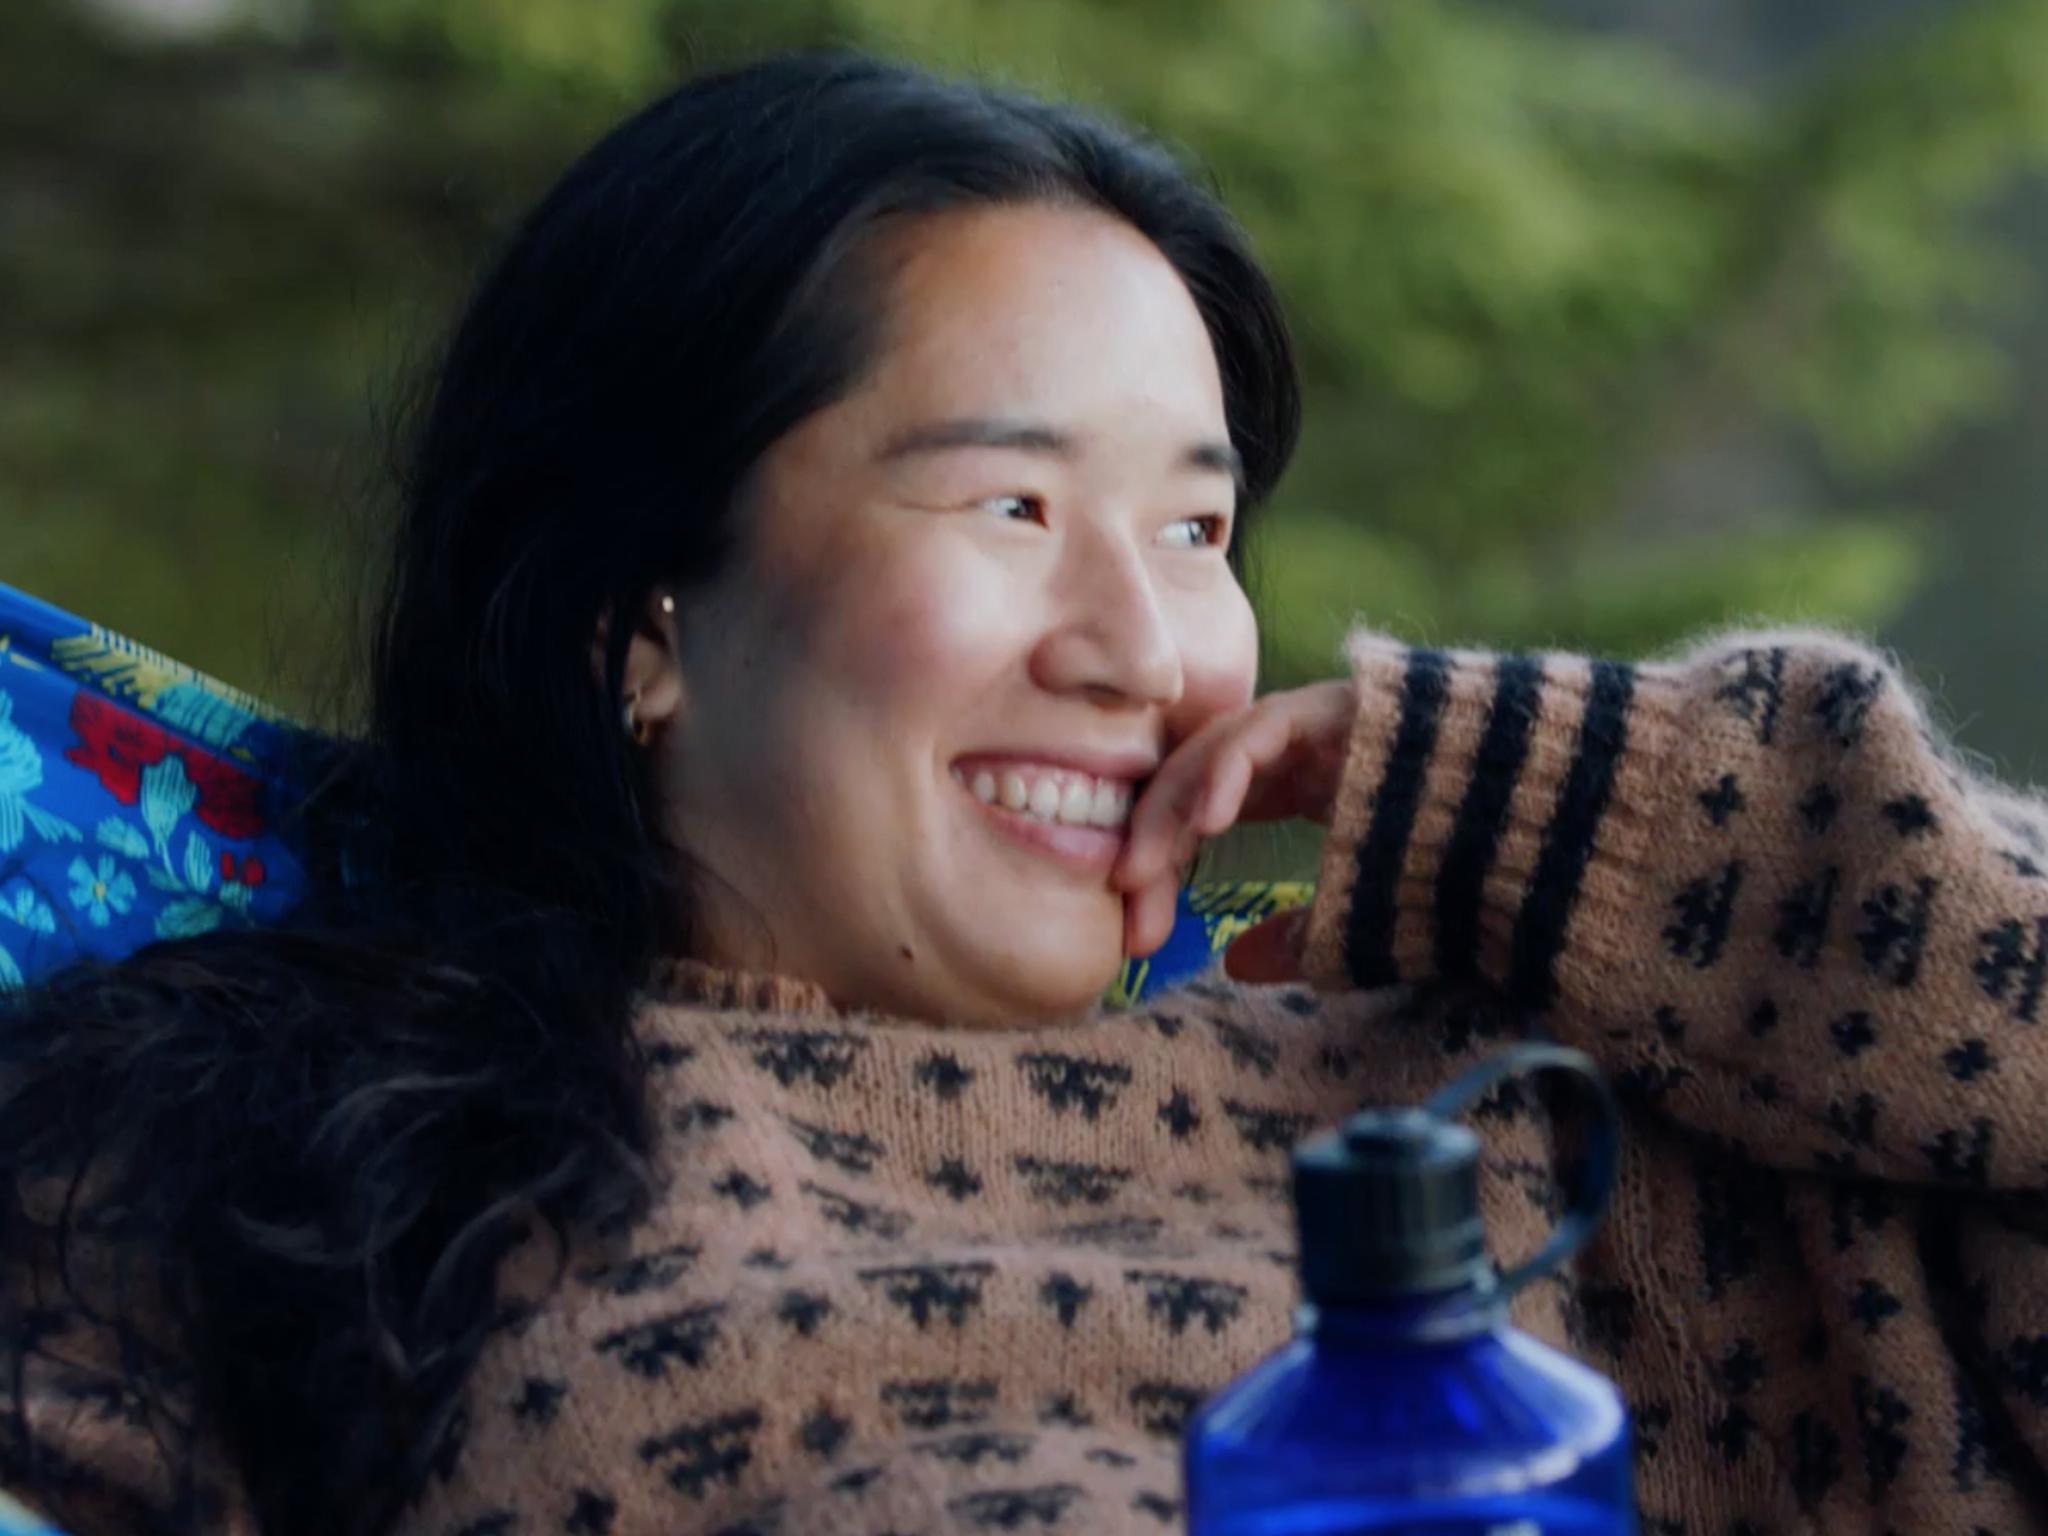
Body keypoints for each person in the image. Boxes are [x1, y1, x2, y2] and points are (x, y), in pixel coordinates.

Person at [3, 50, 2046, 1536]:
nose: (1145, 654)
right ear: (638, 620)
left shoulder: (1502, 1113)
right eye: (1011, 501)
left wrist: (1636, 837)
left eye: (1192, 530)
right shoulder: (294, 1178)